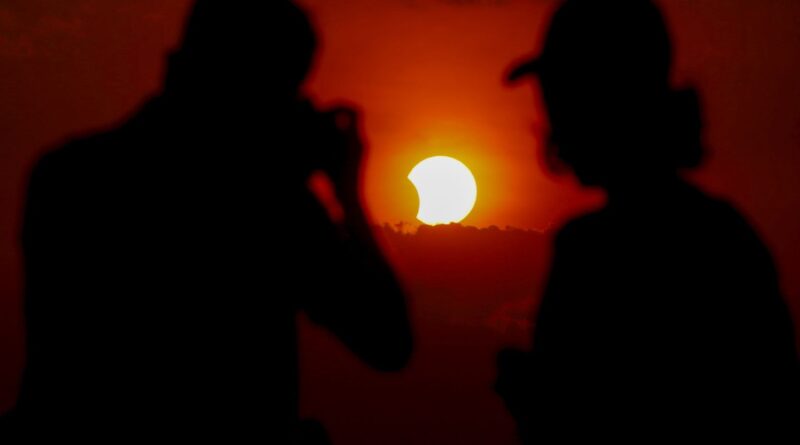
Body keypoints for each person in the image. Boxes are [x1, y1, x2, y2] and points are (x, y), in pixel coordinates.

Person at [4, 1, 411, 442]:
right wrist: (347, 194)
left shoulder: (67, 174)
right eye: (287, 91)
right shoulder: (270, 207)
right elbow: (388, 342)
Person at [495, 0, 799, 442]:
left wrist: (541, 402)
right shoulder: (727, 237)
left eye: (562, 92)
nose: (549, 113)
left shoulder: (590, 251)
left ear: (601, 99)